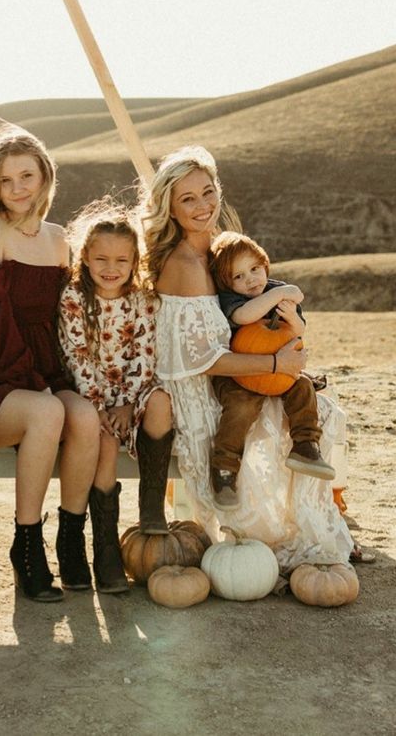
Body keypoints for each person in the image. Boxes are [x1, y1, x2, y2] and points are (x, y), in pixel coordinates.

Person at [139, 144, 353, 572]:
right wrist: (275, 367)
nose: (203, 206)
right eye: (188, 199)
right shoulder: (186, 265)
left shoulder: (215, 253)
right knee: (267, 429)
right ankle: (274, 536)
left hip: (235, 376)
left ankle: (319, 520)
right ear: (170, 208)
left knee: (322, 409)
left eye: (207, 192)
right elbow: (203, 360)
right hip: (200, 390)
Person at [0, 124, 100, 602]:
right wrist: (32, 385)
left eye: (26, 177)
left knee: (86, 416)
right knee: (48, 411)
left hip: (44, 368)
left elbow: (61, 319)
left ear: (45, 178)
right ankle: (26, 544)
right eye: (6, 180)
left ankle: (72, 540)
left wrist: (66, 379)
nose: (16, 189)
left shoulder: (57, 239)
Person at [58, 200, 172, 593]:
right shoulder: (74, 299)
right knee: (104, 446)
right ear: (85, 257)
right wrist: (100, 406)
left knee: (161, 403)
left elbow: (145, 352)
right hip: (94, 401)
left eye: (121, 260)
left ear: (134, 260)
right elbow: (76, 355)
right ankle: (105, 548)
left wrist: (126, 401)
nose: (111, 268)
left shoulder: (144, 300)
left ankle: (152, 505)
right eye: (101, 258)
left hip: (134, 393)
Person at [207, 230, 335, 510]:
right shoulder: (232, 299)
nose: (250, 280)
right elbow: (244, 316)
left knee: (302, 387)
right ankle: (225, 468)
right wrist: (279, 293)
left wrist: (292, 318)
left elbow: (298, 332)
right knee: (241, 407)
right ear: (227, 283)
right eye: (238, 276)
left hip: (279, 372)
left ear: (265, 264)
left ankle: (305, 446)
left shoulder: (275, 289)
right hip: (239, 376)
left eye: (254, 269)